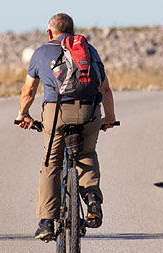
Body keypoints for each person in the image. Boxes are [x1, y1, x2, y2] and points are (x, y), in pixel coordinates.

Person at [16, 13, 116, 240]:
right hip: (90, 111)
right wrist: (108, 118)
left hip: (57, 112)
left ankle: (47, 223)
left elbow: (28, 91)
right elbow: (105, 90)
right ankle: (91, 199)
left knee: (51, 161)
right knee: (87, 153)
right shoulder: (89, 51)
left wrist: (23, 114)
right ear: (72, 31)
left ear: (49, 33)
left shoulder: (41, 53)